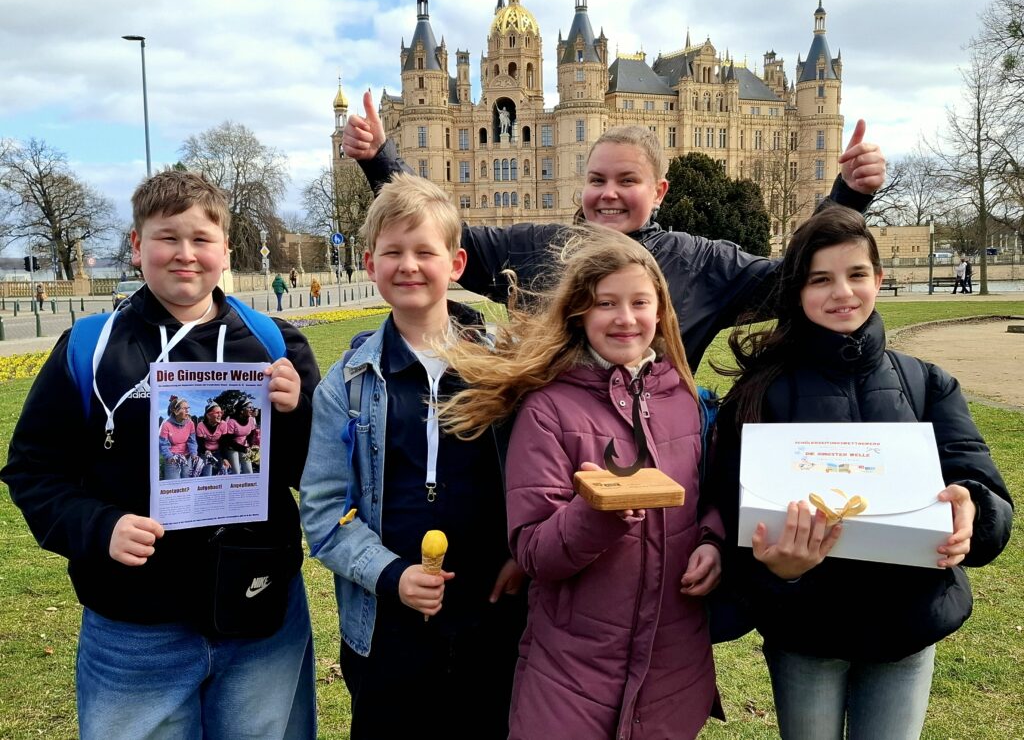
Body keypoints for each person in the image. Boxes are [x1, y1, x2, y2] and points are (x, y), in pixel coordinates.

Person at [1, 170, 321, 739]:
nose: (185, 254)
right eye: (167, 237)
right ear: (136, 245)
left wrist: (295, 415)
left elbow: (312, 475)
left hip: (260, 615)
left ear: (225, 248)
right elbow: (32, 469)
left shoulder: (274, 344)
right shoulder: (90, 347)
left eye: (201, 239)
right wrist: (100, 527)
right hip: (134, 628)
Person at [709, 207, 1013, 740]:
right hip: (807, 631)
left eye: (856, 275)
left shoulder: (927, 383)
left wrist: (974, 509)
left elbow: (979, 482)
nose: (842, 293)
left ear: (878, 278)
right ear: (797, 291)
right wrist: (780, 572)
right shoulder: (759, 394)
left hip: (906, 624)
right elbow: (728, 510)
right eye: (820, 279)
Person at [342, 89, 886, 369]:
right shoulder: (537, 246)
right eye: (597, 179)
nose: (608, 193)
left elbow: (790, 279)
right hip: (548, 463)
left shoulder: (700, 262)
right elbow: (442, 235)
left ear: (659, 191)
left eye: (628, 180)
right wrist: (380, 160)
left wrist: (848, 197)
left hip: (657, 454)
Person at [433, 224, 724, 739]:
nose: (626, 318)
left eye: (639, 302)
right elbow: (533, 550)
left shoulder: (682, 397)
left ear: (660, 311)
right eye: (606, 303)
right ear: (580, 312)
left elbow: (708, 497)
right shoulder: (549, 409)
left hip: (671, 671)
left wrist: (712, 541)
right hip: (571, 676)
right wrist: (593, 516)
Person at [299, 173, 526, 740]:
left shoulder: (506, 367)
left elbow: (542, 471)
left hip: (491, 619)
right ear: (371, 264)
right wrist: (393, 575)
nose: (409, 265)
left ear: (455, 264)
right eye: (392, 252)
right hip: (388, 630)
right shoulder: (345, 385)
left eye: (425, 251)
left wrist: (526, 554)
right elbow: (324, 513)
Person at [158, 395, 200, 480]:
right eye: (184, 408)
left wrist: (194, 454)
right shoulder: (166, 425)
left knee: (187, 482)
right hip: (172, 458)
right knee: (173, 484)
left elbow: (192, 441)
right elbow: (163, 444)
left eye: (188, 408)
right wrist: (169, 457)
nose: (187, 411)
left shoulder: (190, 423)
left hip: (187, 457)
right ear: (175, 411)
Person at [196, 402, 232, 476]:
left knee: (222, 471)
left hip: (218, 451)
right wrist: (206, 451)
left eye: (221, 412)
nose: (220, 415)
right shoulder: (200, 426)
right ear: (208, 415)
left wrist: (225, 458)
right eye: (217, 412)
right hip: (205, 452)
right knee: (207, 474)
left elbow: (224, 443)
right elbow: (200, 443)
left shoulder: (223, 424)